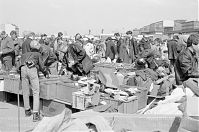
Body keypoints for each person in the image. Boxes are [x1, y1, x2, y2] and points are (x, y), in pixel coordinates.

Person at [20, 40, 49, 122]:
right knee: (36, 92)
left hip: (23, 69)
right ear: (37, 46)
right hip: (32, 70)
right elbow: (42, 66)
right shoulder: (38, 54)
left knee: (25, 91)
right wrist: (46, 73)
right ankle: (35, 114)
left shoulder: (24, 54)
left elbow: (19, 65)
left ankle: (27, 111)